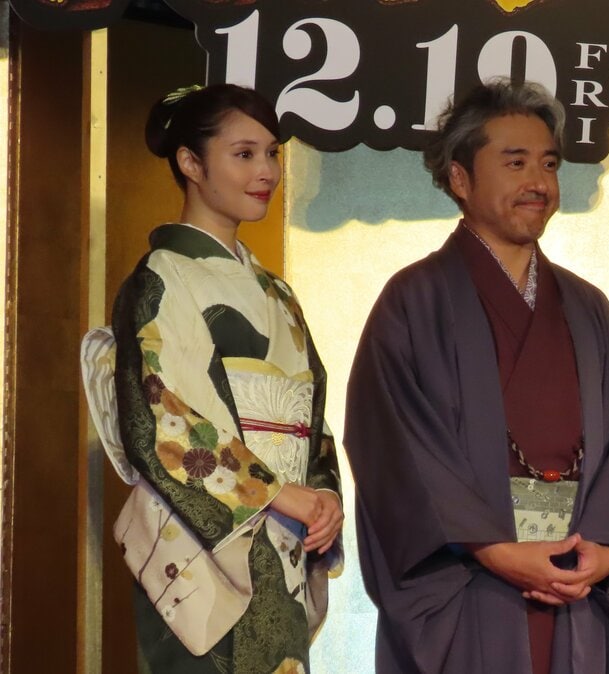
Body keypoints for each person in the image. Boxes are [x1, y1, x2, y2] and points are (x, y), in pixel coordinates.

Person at [342, 80, 609, 674]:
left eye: (549, 164)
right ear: (460, 179)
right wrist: (495, 549)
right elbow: (395, 445)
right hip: (470, 583)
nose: (538, 183)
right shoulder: (414, 301)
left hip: (579, 577)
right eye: (515, 163)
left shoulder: (588, 306)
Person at [97, 83, 344, 672]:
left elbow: (310, 417)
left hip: (286, 533)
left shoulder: (277, 292)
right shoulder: (163, 276)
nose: (267, 172)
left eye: (272, 153)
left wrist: (326, 495)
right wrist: (274, 492)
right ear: (190, 162)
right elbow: (162, 420)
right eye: (244, 154)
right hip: (207, 548)